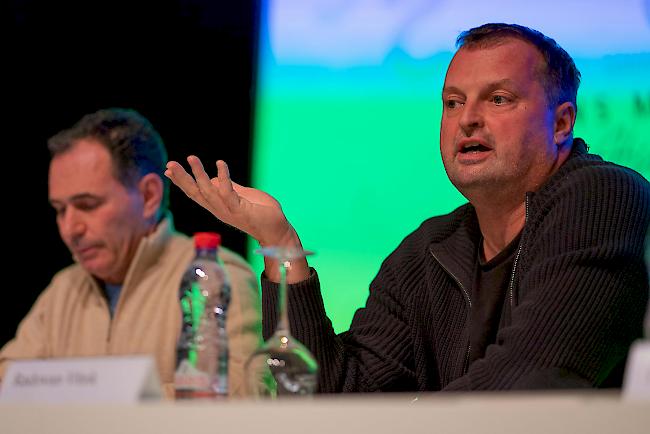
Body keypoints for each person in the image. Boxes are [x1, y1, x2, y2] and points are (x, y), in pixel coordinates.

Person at [165, 23, 650, 391]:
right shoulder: (430, 251)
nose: (468, 121)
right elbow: (328, 391)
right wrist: (279, 245)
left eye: (498, 99)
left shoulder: (602, 196)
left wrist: (405, 416)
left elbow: (530, 379)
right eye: (453, 103)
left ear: (562, 122)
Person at [0, 108, 262, 398]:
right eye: (60, 210)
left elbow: (242, 394)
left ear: (149, 196)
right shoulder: (63, 290)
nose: (69, 228)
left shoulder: (214, 274)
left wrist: (94, 399)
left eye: (87, 205)